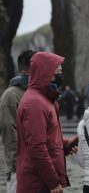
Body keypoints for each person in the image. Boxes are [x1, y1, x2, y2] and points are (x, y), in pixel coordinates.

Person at [16, 52, 78, 193]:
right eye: (57, 72)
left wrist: (65, 145)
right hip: (38, 184)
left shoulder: (45, 99)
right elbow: (37, 147)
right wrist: (53, 183)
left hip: (42, 182)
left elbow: (47, 137)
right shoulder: (35, 102)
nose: (60, 75)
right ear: (45, 73)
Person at [0, 50, 36, 193]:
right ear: (24, 70)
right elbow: (10, 132)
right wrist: (17, 165)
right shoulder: (11, 95)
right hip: (20, 169)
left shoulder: (42, 92)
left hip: (40, 166)